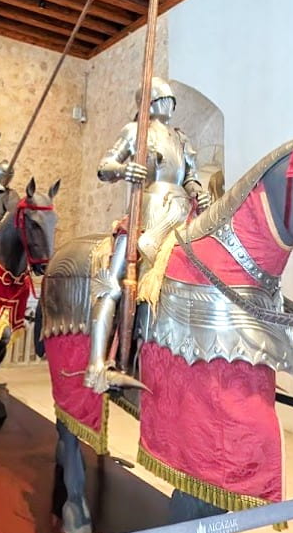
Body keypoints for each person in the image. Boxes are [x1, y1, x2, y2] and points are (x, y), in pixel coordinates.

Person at [85, 77, 210, 392]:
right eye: (162, 100)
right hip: (145, 211)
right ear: (151, 103)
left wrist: (198, 190)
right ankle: (98, 365)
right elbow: (105, 165)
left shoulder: (180, 138)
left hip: (181, 213)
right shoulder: (135, 131)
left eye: (170, 101)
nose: (167, 105)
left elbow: (190, 174)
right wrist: (124, 170)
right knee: (112, 283)